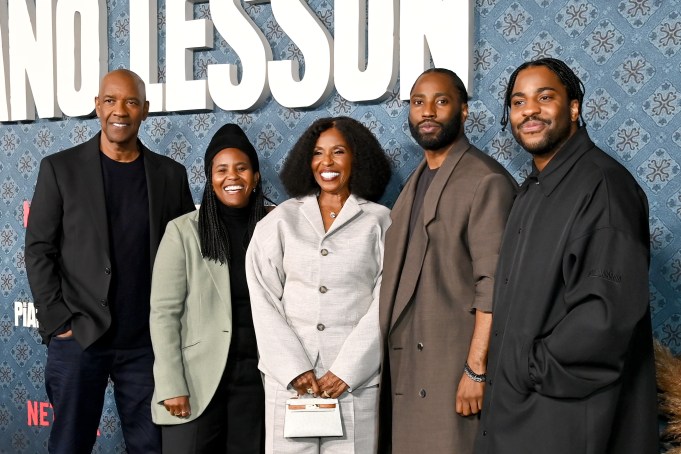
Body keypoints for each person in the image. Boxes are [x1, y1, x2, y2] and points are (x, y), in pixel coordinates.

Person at [474, 58, 658, 454]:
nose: (530, 111)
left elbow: (605, 317)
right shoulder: (534, 189)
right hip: (516, 413)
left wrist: (526, 366)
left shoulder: (604, 186)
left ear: (573, 107)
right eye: (518, 102)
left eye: (545, 97)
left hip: (564, 419)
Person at [24, 69, 195, 454]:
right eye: (111, 100)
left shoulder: (170, 175)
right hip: (80, 338)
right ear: (97, 106)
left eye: (131, 101)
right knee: (69, 445)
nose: (121, 110)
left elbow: (187, 257)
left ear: (146, 110)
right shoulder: (60, 168)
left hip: (147, 345)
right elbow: (38, 248)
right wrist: (57, 321)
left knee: (151, 446)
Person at [378, 68, 517, 454]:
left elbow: (494, 285)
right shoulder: (417, 178)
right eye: (418, 102)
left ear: (464, 111)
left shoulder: (485, 179)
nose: (428, 112)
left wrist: (476, 369)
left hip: (452, 371)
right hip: (408, 370)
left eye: (441, 102)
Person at [246, 116, 392, 453]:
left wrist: (348, 369)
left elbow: (386, 297)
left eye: (338, 152)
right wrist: (293, 368)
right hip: (293, 383)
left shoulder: (380, 221)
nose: (326, 163)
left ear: (357, 157)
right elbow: (262, 295)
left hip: (354, 383)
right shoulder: (282, 219)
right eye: (317, 153)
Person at [149, 123, 266, 453]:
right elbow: (164, 315)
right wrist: (171, 384)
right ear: (210, 177)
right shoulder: (183, 232)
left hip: (255, 384)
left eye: (242, 168)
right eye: (222, 169)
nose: (232, 177)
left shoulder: (274, 228)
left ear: (255, 177)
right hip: (196, 381)